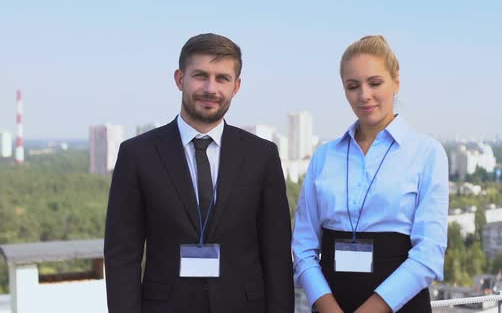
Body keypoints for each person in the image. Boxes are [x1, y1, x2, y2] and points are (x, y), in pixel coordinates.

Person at [104, 33, 294, 313]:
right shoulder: (137, 154)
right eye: (200, 75)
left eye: (222, 78)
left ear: (236, 86)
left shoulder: (262, 156)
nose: (210, 88)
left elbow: (277, 254)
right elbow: (122, 255)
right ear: (180, 79)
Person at [292, 35, 448, 313]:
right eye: (353, 86)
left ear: (396, 82)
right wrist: (328, 308)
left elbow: (429, 254)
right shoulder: (323, 156)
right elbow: (303, 248)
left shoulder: (427, 153)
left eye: (375, 83)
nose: (364, 95)